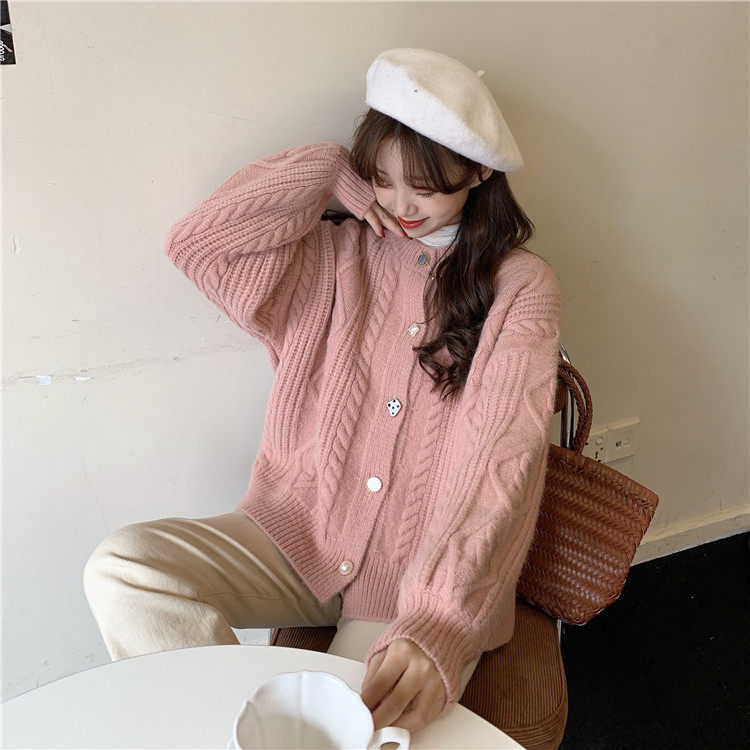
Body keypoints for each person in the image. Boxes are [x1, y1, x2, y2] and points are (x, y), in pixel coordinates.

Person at [83, 47, 563, 735]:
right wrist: (330, 170)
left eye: (425, 188)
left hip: (414, 580)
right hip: (298, 536)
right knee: (124, 571)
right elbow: (200, 246)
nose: (401, 206)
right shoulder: (333, 255)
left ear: (478, 173)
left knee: (345, 730)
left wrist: (440, 618)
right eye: (382, 181)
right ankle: (236, 732)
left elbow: (502, 461)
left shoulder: (520, 286)